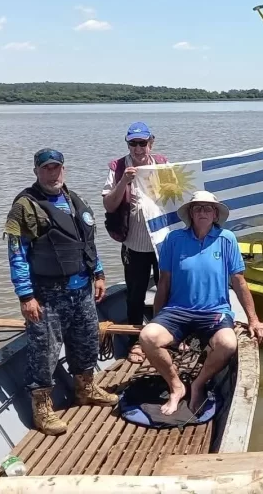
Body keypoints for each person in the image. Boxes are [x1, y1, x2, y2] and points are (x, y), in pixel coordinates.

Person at [4, 148, 118, 436]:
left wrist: (99, 274)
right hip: (46, 295)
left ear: (63, 169)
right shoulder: (25, 207)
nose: (52, 173)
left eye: (56, 167)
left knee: (87, 341)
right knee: (44, 352)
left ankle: (85, 389)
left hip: (82, 290)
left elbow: (87, 243)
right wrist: (25, 296)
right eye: (46, 168)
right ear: (36, 171)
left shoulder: (74, 200)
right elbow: (17, 254)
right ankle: (42, 409)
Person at [138, 191, 263, 416]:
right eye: (197, 208)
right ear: (190, 213)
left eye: (208, 208)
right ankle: (176, 386)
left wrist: (254, 320)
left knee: (228, 344)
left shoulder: (227, 238)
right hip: (177, 311)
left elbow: (239, 282)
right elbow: (164, 282)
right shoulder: (173, 239)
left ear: (215, 214)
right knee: (148, 337)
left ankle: (198, 384)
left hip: (215, 312)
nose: (202, 212)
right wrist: (158, 318)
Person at [102, 122, 168, 364]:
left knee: (167, 290)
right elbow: (109, 205)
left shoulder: (162, 164)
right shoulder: (118, 167)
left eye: (142, 143)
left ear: (151, 142)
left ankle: (165, 336)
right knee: (135, 295)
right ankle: (135, 343)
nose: (138, 148)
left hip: (162, 244)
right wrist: (123, 182)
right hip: (134, 245)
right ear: (128, 143)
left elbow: (177, 196)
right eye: (133, 143)